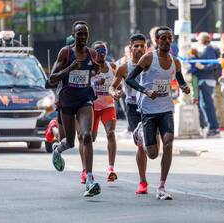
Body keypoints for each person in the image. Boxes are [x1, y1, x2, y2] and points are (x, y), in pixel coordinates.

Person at [126, 26, 190, 200]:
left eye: (170, 38)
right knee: (152, 154)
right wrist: (145, 91)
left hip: (166, 109)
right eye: (163, 38)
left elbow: (180, 78)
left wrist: (184, 87)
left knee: (168, 143)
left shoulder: (175, 61)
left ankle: (161, 186)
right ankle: (141, 133)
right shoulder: (148, 58)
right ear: (157, 41)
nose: (167, 41)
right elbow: (130, 79)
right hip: (148, 110)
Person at [48, 21, 101, 197]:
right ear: (73, 34)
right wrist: (71, 67)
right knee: (70, 142)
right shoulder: (66, 52)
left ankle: (90, 179)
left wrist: (96, 68)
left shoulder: (91, 53)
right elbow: (51, 79)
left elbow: (94, 72)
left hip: (84, 100)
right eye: (79, 34)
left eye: (85, 34)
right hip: (67, 102)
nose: (83, 37)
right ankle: (58, 149)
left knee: (86, 136)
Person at [110, 33, 149, 194]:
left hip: (150, 107)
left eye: (142, 46)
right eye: (136, 46)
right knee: (140, 144)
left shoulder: (152, 64)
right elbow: (113, 86)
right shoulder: (124, 67)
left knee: (152, 147)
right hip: (133, 107)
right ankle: (143, 182)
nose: (139, 49)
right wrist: (115, 93)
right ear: (130, 48)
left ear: (146, 47)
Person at [90, 41, 118, 182]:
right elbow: (83, 85)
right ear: (93, 53)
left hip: (108, 106)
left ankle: (111, 168)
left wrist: (118, 92)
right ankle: (86, 170)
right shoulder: (89, 68)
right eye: (98, 51)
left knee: (111, 133)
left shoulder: (112, 67)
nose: (101, 54)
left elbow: (119, 83)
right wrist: (95, 83)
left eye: (103, 52)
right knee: (91, 138)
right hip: (92, 108)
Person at [194, 32, 221, 137]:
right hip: (203, 79)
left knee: (207, 104)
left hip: (207, 79)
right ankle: (211, 127)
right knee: (203, 104)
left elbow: (213, 63)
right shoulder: (204, 49)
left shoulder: (209, 49)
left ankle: (214, 128)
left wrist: (202, 67)